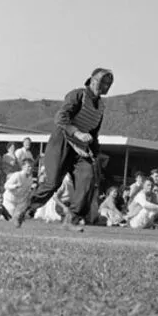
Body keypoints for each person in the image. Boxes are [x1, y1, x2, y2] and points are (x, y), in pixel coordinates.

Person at [20, 68, 114, 231]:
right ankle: (24, 209)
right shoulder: (77, 95)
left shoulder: (100, 107)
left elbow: (93, 133)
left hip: (80, 149)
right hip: (62, 141)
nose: (105, 86)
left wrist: (95, 154)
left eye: (108, 83)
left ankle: (72, 219)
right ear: (92, 80)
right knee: (52, 182)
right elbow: (61, 118)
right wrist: (76, 132)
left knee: (88, 177)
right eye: (102, 82)